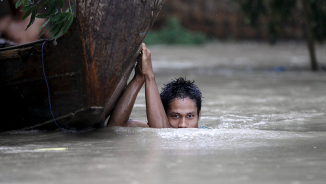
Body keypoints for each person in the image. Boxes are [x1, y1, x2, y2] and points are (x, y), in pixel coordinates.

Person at [107, 43, 203, 128]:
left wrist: (149, 75)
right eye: (175, 116)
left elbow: (161, 133)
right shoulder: (154, 127)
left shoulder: (206, 136)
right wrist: (139, 78)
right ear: (163, 114)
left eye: (190, 116)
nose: (182, 125)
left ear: (199, 115)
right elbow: (116, 127)